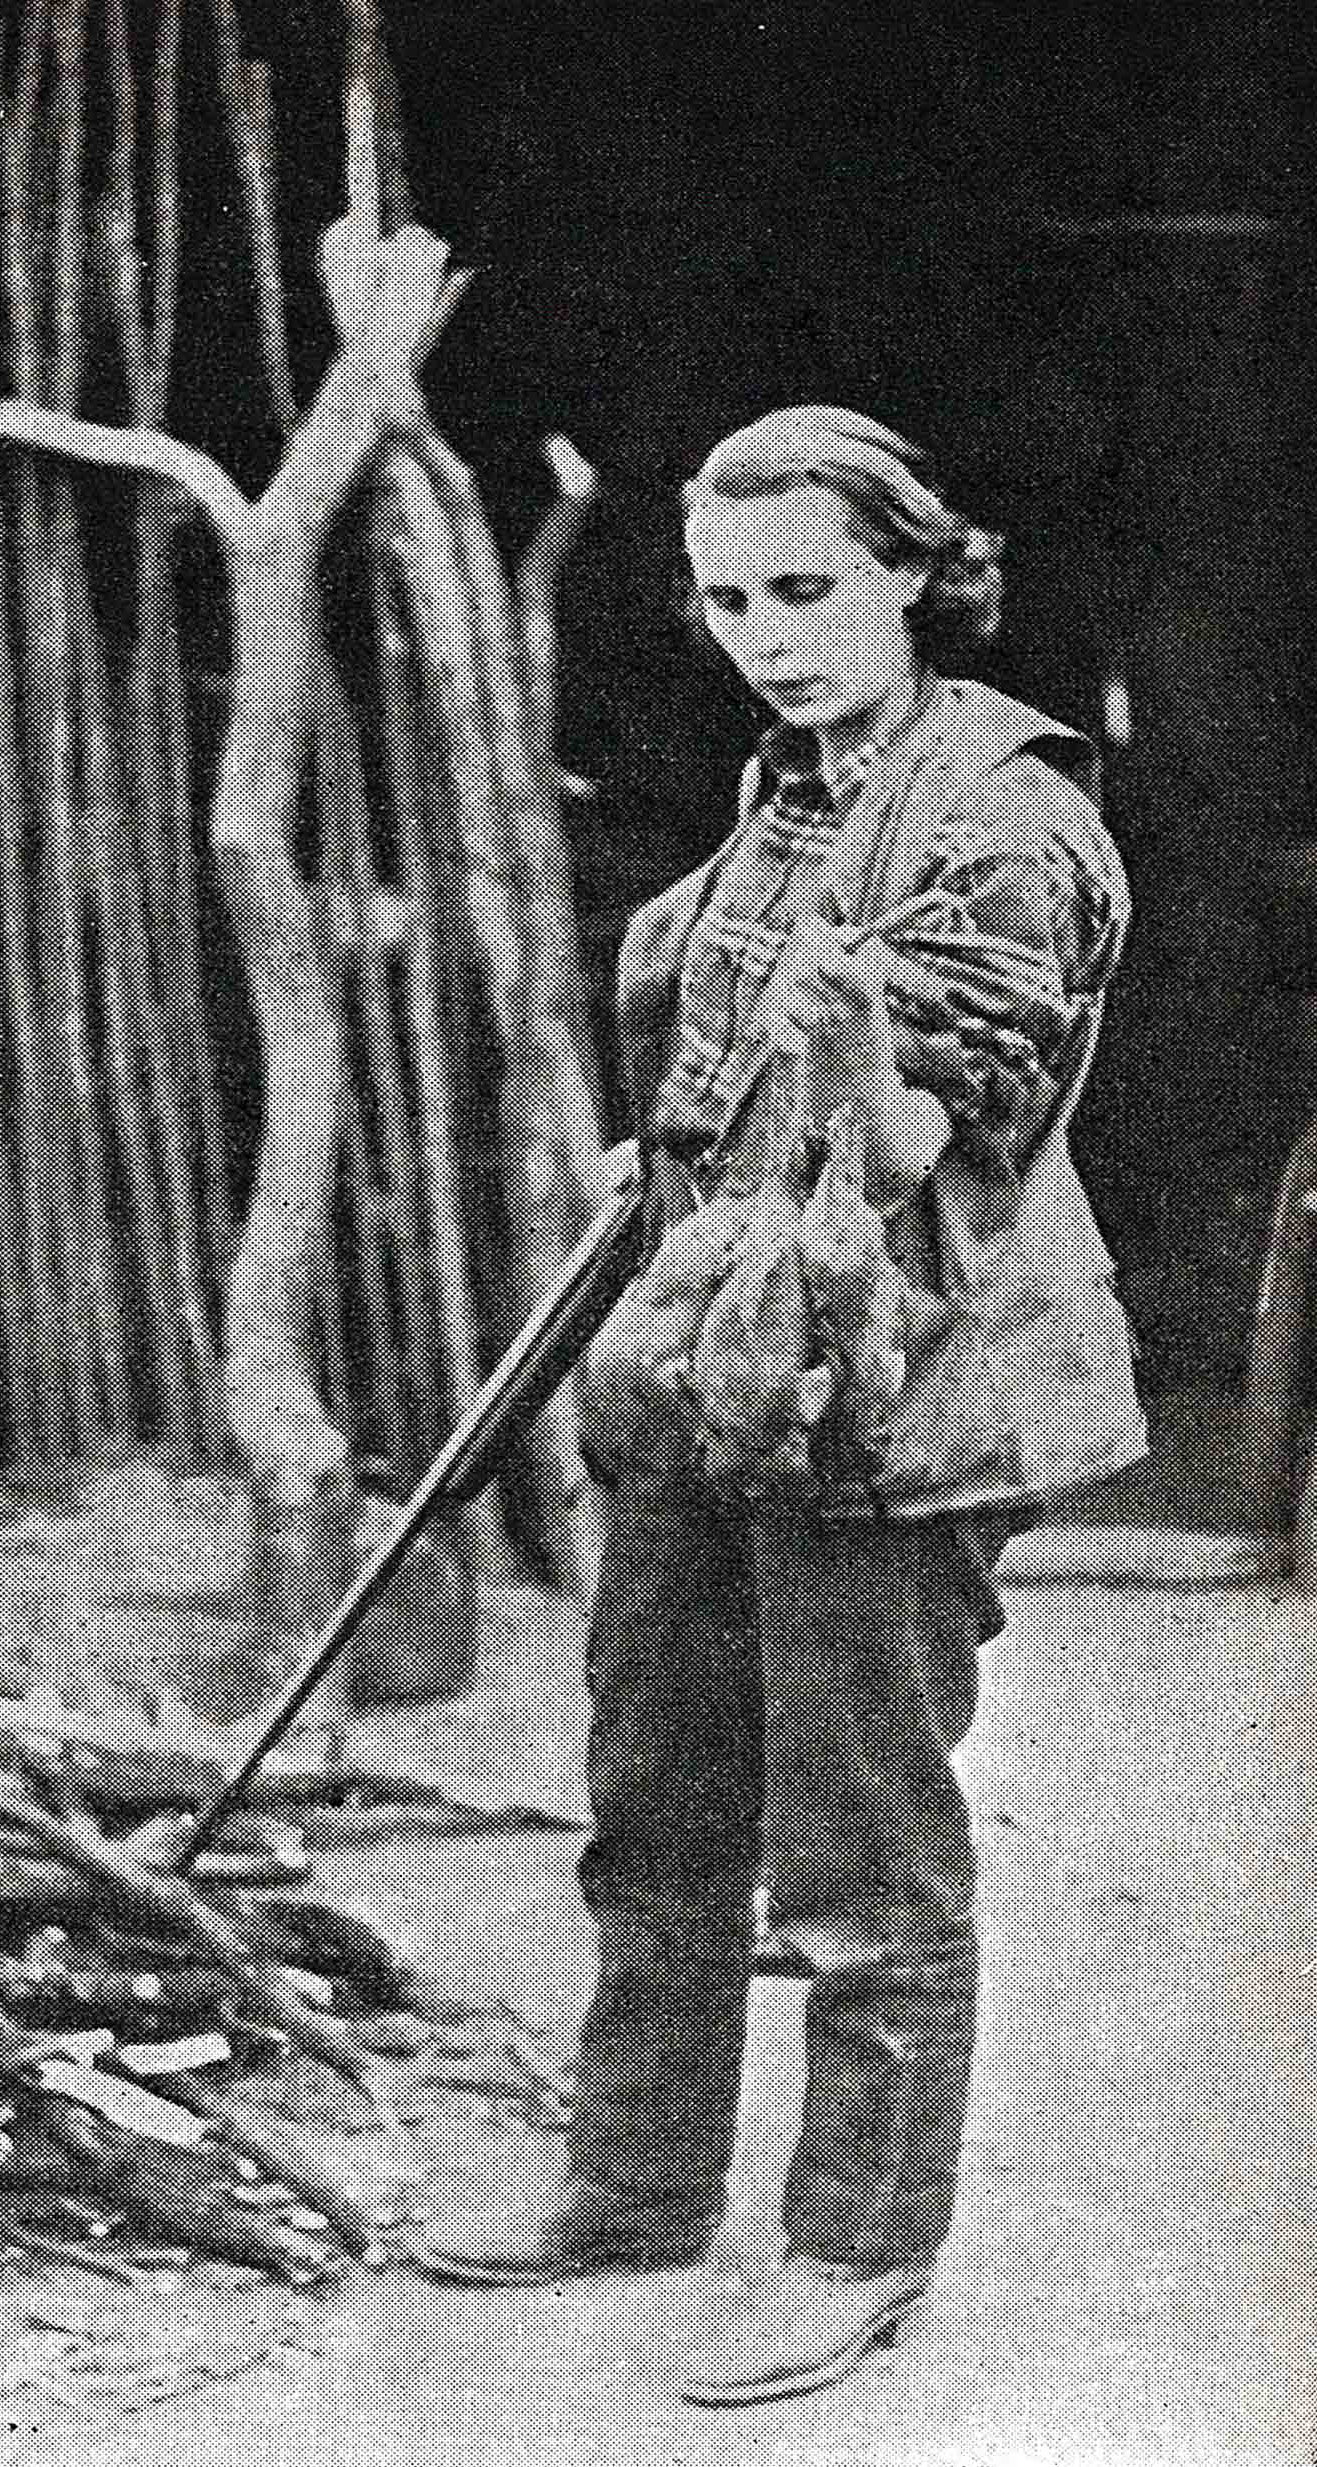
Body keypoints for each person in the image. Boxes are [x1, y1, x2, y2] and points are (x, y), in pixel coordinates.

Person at [420, 405, 1147, 2407]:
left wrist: (839, 1064)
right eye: (731, 600)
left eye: (810, 589)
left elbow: (929, 1141)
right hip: (713, 1361)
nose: (768, 636)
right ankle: (637, 2184)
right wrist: (676, 1149)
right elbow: (735, 1061)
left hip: (900, 1381)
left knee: (858, 1854)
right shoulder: (794, 784)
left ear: (916, 572)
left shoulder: (1005, 818)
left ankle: (857, 2245)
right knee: (658, 1801)